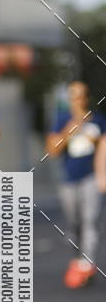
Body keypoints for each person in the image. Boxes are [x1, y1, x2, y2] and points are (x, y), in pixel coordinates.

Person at [46, 81, 106, 288]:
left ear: (87, 97)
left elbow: (103, 150)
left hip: (91, 177)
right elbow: (52, 151)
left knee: (91, 220)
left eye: (82, 94)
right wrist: (69, 130)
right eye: (74, 95)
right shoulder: (61, 120)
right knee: (75, 224)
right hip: (69, 179)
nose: (78, 99)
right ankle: (77, 259)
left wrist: (102, 176)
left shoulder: (98, 121)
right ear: (69, 98)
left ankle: (86, 264)